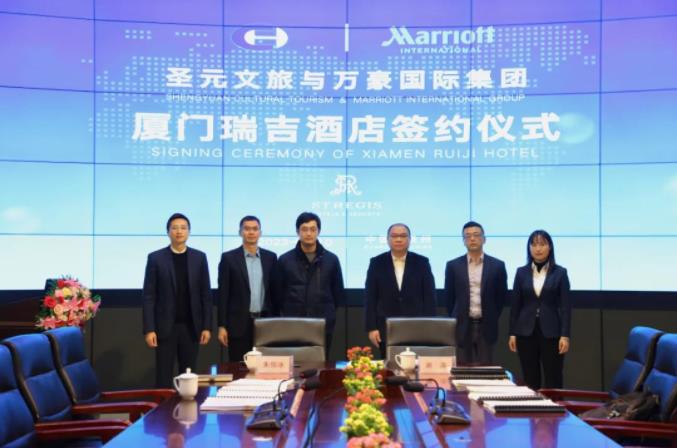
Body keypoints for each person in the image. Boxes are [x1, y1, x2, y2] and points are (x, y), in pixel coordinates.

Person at [142, 213, 212, 388]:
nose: (179, 231)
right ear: (168, 232)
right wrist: (149, 329)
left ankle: (187, 406)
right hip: (165, 327)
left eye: (183, 228)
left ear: (189, 232)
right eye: (174, 228)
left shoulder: (199, 258)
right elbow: (149, 296)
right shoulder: (155, 258)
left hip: (191, 327)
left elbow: (205, 294)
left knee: (188, 375)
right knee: (163, 375)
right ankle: (162, 406)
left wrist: (206, 326)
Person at [273, 212, 344, 354]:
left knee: (321, 361)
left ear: (318, 231)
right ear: (297, 232)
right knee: (295, 362)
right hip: (293, 323)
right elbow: (277, 294)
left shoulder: (331, 259)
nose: (309, 233)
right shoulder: (285, 260)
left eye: (313, 229)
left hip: (322, 322)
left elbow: (337, 293)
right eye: (304, 229)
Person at [509, 230, 571, 389]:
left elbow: (565, 307)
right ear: (529, 248)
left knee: (553, 377)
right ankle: (532, 406)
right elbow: (515, 305)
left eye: (542, 244)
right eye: (534, 244)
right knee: (530, 378)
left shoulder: (560, 272)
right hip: (525, 332)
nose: (538, 249)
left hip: (551, 332)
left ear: (550, 247)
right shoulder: (521, 272)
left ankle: (555, 406)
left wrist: (565, 335)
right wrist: (512, 333)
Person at [364, 223, 436, 357]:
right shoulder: (376, 262)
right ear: (387, 239)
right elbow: (370, 297)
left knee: (416, 365)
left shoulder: (422, 262)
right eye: (394, 236)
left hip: (416, 325)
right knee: (389, 364)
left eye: (403, 236)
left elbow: (430, 297)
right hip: (385, 326)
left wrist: (429, 326)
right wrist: (371, 328)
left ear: (409, 239)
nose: (398, 239)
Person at [445, 221, 507, 365]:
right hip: (462, 325)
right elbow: (449, 297)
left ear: (484, 239)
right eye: (467, 236)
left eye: (476, 235)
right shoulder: (453, 265)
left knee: (486, 368)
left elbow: (501, 297)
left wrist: (491, 314)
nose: (472, 239)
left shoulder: (497, 265)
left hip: (487, 324)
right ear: (463, 241)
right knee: (463, 368)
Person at [217, 216, 277, 362]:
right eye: (247, 229)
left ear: (260, 233)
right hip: (238, 324)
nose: (251, 232)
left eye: (255, 229)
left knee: (265, 367)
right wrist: (222, 326)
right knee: (239, 367)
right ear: (240, 232)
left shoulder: (271, 258)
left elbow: (275, 292)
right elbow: (223, 295)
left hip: (265, 322)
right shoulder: (229, 258)